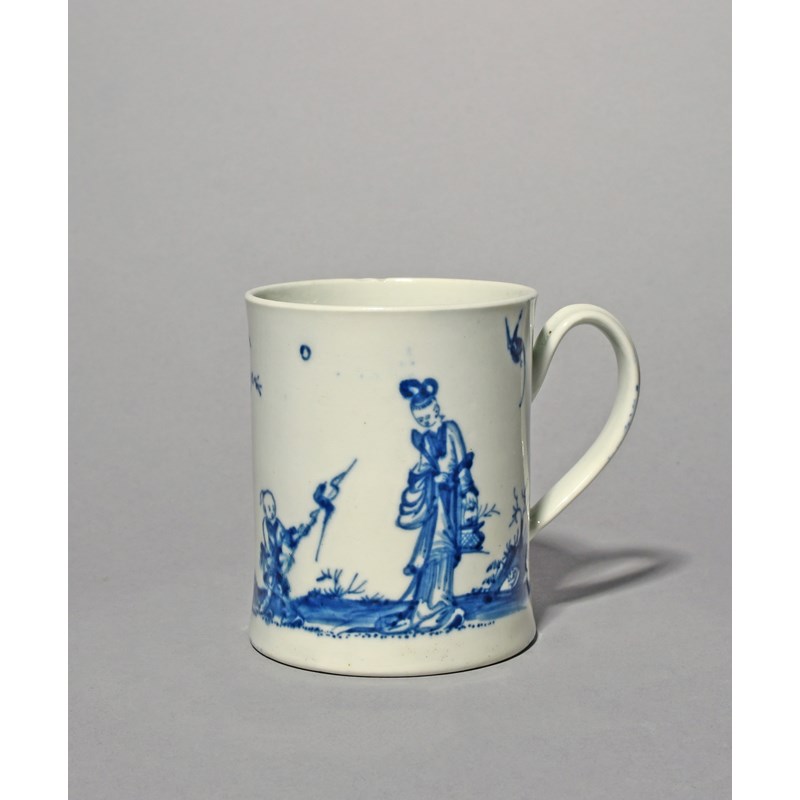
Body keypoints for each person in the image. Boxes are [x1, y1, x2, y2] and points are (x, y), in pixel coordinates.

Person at [385, 378, 479, 633]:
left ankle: (441, 603)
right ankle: (426, 605)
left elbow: (461, 462)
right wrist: (419, 474)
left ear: (436, 409)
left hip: (450, 499)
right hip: (434, 500)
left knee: (444, 547)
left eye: (428, 416)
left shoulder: (451, 429)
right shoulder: (425, 440)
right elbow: (423, 466)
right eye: (421, 420)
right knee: (432, 549)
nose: (426, 421)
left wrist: (468, 490)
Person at [256, 490, 316, 626]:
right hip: (271, 562)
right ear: (264, 510)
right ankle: (278, 613)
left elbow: (286, 539)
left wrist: (299, 533)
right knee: (275, 588)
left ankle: (273, 611)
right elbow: (270, 546)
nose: (272, 511)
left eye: (273, 508)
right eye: (268, 509)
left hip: (277, 561)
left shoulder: (278, 524)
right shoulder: (266, 525)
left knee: (279, 589)